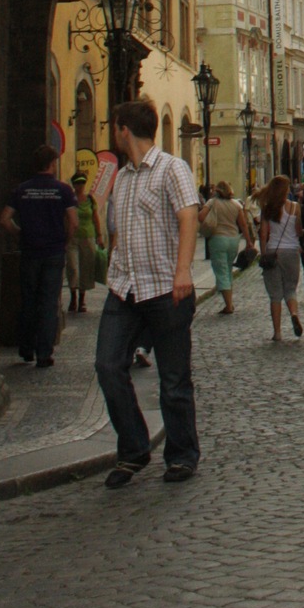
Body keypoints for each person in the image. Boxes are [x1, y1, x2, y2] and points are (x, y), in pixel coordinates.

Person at [95, 99, 201, 487]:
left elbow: (188, 216)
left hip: (165, 288)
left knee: (173, 380)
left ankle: (182, 455)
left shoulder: (172, 168)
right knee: (108, 366)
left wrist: (182, 271)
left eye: (114, 127)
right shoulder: (122, 178)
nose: (113, 133)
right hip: (124, 288)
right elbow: (118, 231)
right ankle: (134, 448)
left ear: (124, 129)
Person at [0, 144, 78, 368]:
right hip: (53, 251)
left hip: (30, 251)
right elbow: (73, 222)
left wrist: (20, 233)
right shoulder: (63, 190)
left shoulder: (22, 190)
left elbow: (4, 219)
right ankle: (44, 353)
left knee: (29, 300)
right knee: (48, 302)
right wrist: (65, 241)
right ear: (52, 164)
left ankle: (26, 349)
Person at [257, 176, 304, 341]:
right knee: (290, 289)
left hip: (273, 252)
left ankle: (277, 332)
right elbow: (298, 231)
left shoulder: (267, 209)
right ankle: (294, 314)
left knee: (275, 295)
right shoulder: (295, 207)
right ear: (286, 190)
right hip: (291, 251)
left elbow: (263, 234)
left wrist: (264, 253)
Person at [199, 180, 253, 315]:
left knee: (221, 271)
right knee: (227, 269)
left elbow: (201, 216)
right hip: (233, 239)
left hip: (218, 238)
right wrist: (248, 241)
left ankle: (228, 305)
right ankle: (229, 301)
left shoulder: (212, 202)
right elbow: (243, 224)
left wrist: (210, 220)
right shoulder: (236, 204)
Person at [65, 169, 105, 315]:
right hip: (72, 237)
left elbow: (95, 218)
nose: (80, 186)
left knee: (86, 268)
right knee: (73, 267)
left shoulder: (90, 200)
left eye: (82, 183)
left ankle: (82, 299)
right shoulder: (69, 199)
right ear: (73, 184)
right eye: (78, 183)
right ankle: (73, 297)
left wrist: (99, 236)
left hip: (88, 237)